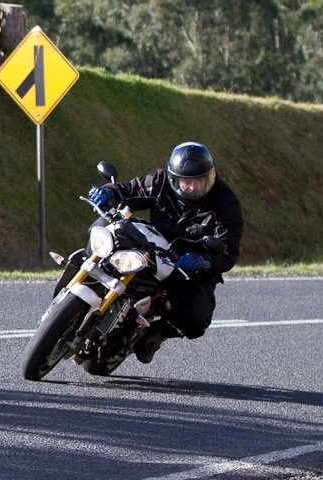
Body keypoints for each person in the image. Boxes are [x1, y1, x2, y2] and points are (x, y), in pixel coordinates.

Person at [87, 142, 243, 362]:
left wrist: (203, 261)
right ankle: (86, 279)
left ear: (210, 177)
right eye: (185, 182)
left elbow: (228, 251)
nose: (191, 188)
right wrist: (109, 192)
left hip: (186, 264)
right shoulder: (160, 181)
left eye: (199, 182)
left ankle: (157, 333)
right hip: (149, 245)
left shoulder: (226, 203)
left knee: (196, 318)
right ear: (173, 178)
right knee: (103, 227)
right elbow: (132, 190)